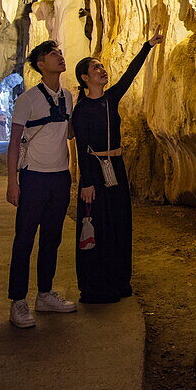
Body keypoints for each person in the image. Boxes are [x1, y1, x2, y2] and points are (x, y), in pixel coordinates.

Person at [72, 32, 163, 303]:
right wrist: (86, 183)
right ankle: (97, 287)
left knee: (120, 223)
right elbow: (82, 148)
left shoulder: (110, 99)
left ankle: (120, 280)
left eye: (102, 66)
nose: (102, 70)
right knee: (98, 226)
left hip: (116, 168)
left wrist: (147, 46)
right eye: (95, 68)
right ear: (85, 78)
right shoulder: (82, 110)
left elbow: (130, 74)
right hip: (96, 174)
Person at [5, 40, 78, 328]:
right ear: (40, 65)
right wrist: (13, 183)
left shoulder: (68, 97)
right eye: (53, 55)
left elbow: (68, 134)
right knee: (24, 240)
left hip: (60, 177)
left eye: (60, 53)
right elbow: (14, 144)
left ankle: (45, 294)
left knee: (52, 238)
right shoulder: (27, 100)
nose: (60, 58)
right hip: (34, 177)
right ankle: (18, 301)